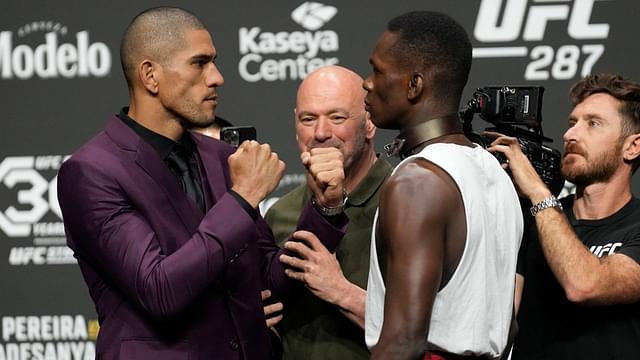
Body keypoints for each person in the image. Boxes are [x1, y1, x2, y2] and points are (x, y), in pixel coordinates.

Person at [57, 7, 348, 360]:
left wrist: (324, 209)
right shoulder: (92, 171)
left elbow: (269, 282)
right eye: (199, 63)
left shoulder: (220, 157)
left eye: (214, 62)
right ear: (150, 75)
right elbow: (159, 290)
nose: (217, 77)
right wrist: (242, 200)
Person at [362, 11, 523, 359]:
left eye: (377, 71)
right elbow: (506, 322)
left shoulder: (417, 182)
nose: (367, 83)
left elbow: (403, 341)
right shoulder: (494, 170)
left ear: (414, 85)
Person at [490, 73, 640, 359]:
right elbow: (498, 320)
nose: (570, 135)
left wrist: (537, 190)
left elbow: (584, 285)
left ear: (633, 146)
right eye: (572, 123)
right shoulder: (533, 220)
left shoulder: (542, 206)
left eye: (593, 124)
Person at [264, 65, 392, 359]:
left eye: (337, 117)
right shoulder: (280, 212)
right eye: (308, 119)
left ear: (369, 123)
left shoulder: (403, 199)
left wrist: (341, 291)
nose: (321, 133)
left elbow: (432, 329)